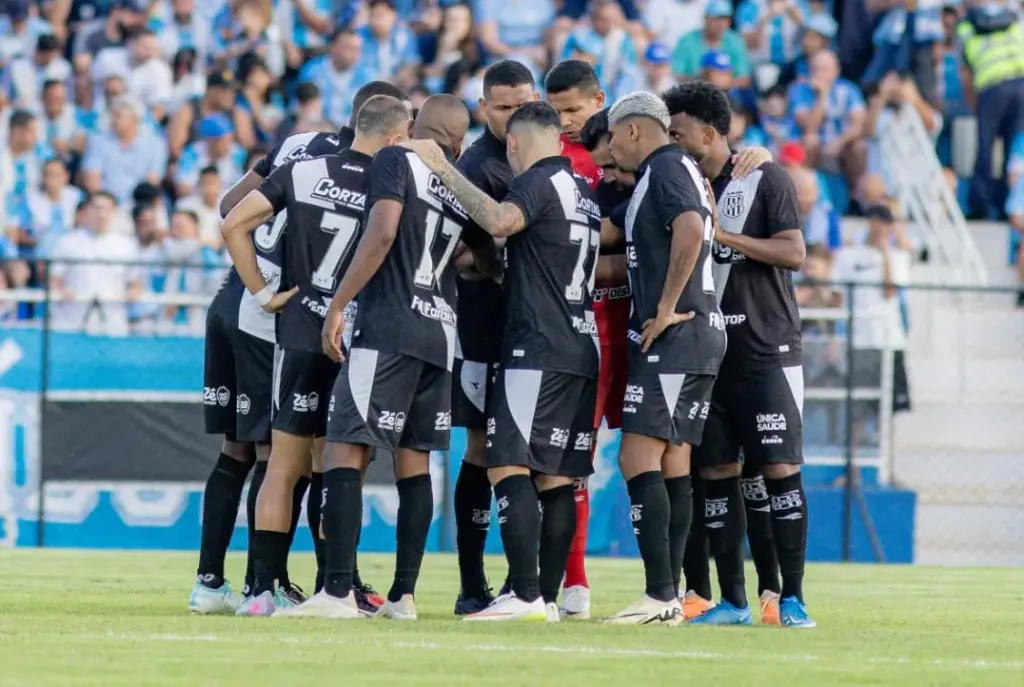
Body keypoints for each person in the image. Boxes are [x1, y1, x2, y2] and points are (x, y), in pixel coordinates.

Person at [284, 95, 493, 621]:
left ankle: (335, 592)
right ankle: (404, 597)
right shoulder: (456, 181)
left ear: (413, 129)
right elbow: (489, 256)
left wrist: (338, 304)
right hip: (440, 334)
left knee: (344, 452)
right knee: (413, 462)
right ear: (459, 141)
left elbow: (381, 233)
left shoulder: (396, 160)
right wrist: (451, 263)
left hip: (389, 327)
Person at [401, 101, 602, 622]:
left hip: (536, 346)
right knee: (556, 476)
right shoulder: (581, 190)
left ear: (513, 143)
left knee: (507, 462)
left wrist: (439, 167)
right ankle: (548, 599)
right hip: (581, 343)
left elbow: (498, 219)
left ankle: (526, 595)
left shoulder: (536, 181)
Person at [224, 95, 413, 618]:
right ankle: (338, 588)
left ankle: (261, 590)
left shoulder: (304, 170)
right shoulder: (394, 183)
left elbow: (231, 222)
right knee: (340, 469)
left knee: (283, 466)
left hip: (302, 331)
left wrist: (262, 292)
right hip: (359, 339)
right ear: (396, 139)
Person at [663, 80, 815, 628]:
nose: (673, 143)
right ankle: (732, 602)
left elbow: (794, 252)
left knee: (779, 468)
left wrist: (727, 237)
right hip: (711, 353)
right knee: (717, 473)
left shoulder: (762, 176)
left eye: (679, 133)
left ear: (708, 133)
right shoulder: (677, 182)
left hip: (766, 348)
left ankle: (792, 598)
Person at [601, 91, 725, 625]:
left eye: (612, 137)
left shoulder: (665, 166)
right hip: (701, 334)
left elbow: (694, 230)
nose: (609, 151)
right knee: (674, 459)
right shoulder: (683, 171)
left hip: (676, 334)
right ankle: (671, 595)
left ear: (632, 130)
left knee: (636, 457)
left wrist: (668, 305)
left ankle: (659, 595)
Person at [449, 59, 539, 617]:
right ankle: (471, 581)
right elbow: (469, 248)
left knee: (529, 454)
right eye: (502, 106)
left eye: (521, 103)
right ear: (485, 108)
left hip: (535, 331)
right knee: (483, 449)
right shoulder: (478, 166)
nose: (512, 115)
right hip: (484, 329)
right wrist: (495, 265)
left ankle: (525, 580)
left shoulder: (539, 157)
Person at [543, 58, 615, 620]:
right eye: (558, 110)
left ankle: (687, 589)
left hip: (638, 327)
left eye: (574, 109)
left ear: (600, 100)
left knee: (669, 461)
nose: (566, 121)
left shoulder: (627, 151)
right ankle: (574, 582)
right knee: (574, 461)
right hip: (581, 327)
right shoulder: (551, 161)